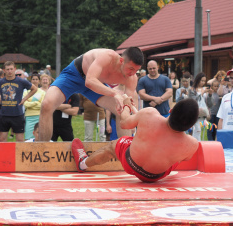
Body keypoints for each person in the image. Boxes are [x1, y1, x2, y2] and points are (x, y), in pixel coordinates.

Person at [71, 96, 199, 182]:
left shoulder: (149, 114)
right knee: (176, 155)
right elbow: (185, 158)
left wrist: (126, 106)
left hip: (130, 162)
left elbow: (124, 123)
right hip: (154, 176)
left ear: (170, 110)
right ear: (191, 125)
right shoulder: (192, 144)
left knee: (112, 146)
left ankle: (83, 163)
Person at [39, 47, 144, 141]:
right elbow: (89, 81)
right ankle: (41, 151)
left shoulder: (132, 78)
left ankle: (126, 152)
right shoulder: (108, 56)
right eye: (131, 68)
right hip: (75, 75)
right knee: (46, 105)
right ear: (121, 61)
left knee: (121, 111)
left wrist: (132, 118)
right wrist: (115, 93)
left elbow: (127, 106)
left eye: (136, 70)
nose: (132, 73)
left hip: (95, 85)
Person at [0, 61, 37, 142]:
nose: (9, 71)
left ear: (15, 69)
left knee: (20, 140)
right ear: (4, 70)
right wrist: (0, 99)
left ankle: (18, 155)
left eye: (11, 69)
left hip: (18, 114)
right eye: (7, 69)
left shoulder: (21, 81)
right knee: (2, 139)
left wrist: (24, 99)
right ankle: (3, 155)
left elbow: (34, 89)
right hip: (4, 114)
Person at [23, 74, 46, 140]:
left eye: (36, 79)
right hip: (29, 117)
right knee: (28, 137)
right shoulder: (26, 92)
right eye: (33, 79)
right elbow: (25, 104)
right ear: (31, 80)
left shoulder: (42, 92)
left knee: (40, 137)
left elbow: (42, 105)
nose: (35, 81)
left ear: (39, 81)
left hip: (39, 116)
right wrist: (36, 103)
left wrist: (31, 104)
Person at [188, 72, 209, 141]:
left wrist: (210, 95)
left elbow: (210, 103)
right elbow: (193, 101)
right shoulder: (192, 90)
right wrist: (202, 93)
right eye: (202, 80)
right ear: (198, 79)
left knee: (203, 133)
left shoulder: (205, 89)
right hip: (195, 114)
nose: (203, 82)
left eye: (204, 81)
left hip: (204, 115)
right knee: (196, 132)